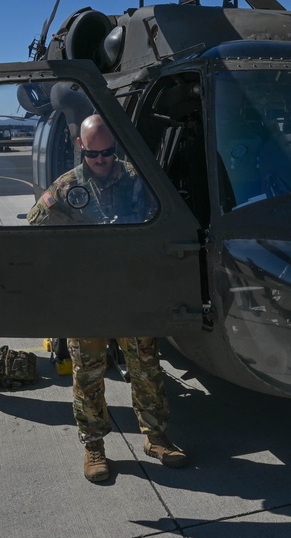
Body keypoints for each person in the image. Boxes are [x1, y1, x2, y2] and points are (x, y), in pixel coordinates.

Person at [28, 114, 187, 482]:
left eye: (108, 152)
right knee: (88, 373)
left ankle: (156, 436)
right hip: (89, 296)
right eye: (94, 154)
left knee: (146, 366)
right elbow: (36, 226)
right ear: (81, 148)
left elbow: (164, 220)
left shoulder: (137, 179)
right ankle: (94, 446)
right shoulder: (67, 187)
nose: (101, 160)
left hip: (132, 291)